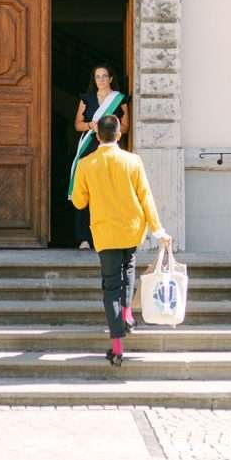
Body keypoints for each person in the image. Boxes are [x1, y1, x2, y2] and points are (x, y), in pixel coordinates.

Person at [71, 113, 171, 367]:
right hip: (131, 228)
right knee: (128, 270)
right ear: (118, 134)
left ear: (97, 135)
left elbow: (80, 201)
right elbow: (145, 196)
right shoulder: (133, 161)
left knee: (111, 286)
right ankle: (127, 314)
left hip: (105, 232)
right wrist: (158, 230)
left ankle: (117, 347)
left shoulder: (86, 163)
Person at [71, 65, 129, 249]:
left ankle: (107, 236)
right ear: (94, 80)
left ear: (111, 79)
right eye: (98, 77)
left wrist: (109, 127)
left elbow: (126, 127)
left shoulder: (120, 100)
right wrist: (90, 125)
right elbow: (77, 125)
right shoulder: (86, 99)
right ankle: (85, 238)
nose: (101, 80)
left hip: (109, 148)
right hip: (89, 148)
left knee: (108, 192)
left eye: (105, 76)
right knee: (85, 192)